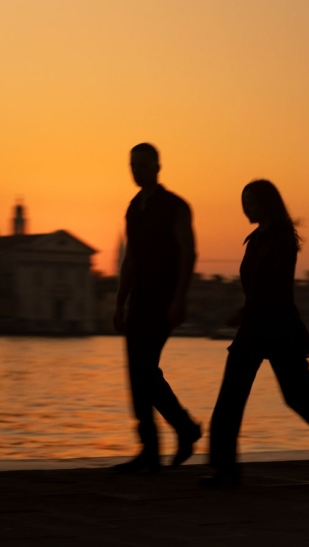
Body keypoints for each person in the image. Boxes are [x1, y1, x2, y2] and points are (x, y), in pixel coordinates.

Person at [203, 179, 309, 486]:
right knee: (231, 396)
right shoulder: (256, 239)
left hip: (277, 327)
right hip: (255, 326)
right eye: (243, 203)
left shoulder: (281, 239)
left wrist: (243, 312)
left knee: (299, 395)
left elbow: (272, 287)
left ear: (267, 204)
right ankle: (224, 469)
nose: (246, 209)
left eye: (251, 203)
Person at [113, 142, 201, 474]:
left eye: (143, 164)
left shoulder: (175, 206)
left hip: (163, 298)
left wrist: (180, 297)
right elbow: (130, 259)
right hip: (139, 299)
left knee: (145, 370)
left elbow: (188, 252)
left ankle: (176, 432)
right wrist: (120, 301)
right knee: (139, 373)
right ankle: (159, 442)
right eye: (133, 165)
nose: (137, 170)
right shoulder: (133, 208)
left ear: (157, 167)